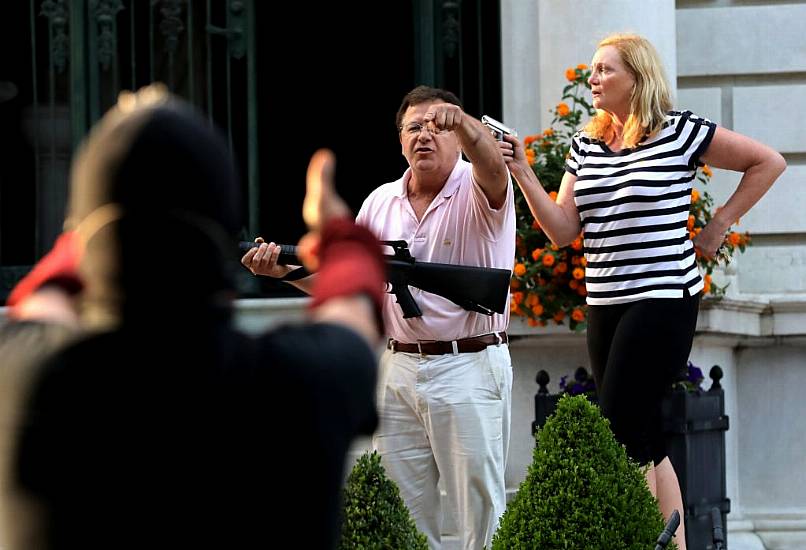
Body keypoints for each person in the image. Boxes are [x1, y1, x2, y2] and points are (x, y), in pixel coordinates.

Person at [1, 86, 386, 550]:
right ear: (225, 237)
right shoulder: (297, 381)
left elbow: (46, 292)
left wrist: (92, 217)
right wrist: (340, 236)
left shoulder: (24, 372)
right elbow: (357, 301)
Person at [499, 33, 786, 549]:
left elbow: (768, 161)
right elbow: (564, 230)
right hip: (605, 301)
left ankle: (631, 539)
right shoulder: (583, 145)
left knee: (617, 427)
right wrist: (521, 169)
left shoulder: (680, 132)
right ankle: (673, 546)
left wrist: (720, 222)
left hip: (664, 298)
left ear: (638, 76)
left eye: (606, 69)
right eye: (592, 69)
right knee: (642, 434)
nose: (593, 78)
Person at [242, 85, 516, 549]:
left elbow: (492, 164)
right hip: (398, 367)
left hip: (468, 364)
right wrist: (285, 272)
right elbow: (351, 285)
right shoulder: (379, 201)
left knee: (480, 514)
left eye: (436, 126)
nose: (424, 136)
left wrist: (467, 124)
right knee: (400, 514)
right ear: (400, 141)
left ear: (456, 136)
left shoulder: (479, 185)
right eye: (413, 128)